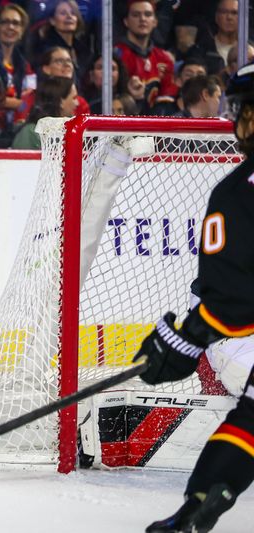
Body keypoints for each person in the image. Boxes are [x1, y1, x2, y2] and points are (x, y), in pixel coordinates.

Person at [132, 62, 254, 533]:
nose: (237, 120)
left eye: (244, 110)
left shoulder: (239, 192)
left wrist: (184, 341)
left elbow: (234, 301)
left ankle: (195, 510)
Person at [114, 0, 178, 115]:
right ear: (126, 21)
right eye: (136, 15)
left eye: (148, 14)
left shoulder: (164, 59)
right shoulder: (116, 55)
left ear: (155, 22)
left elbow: (168, 98)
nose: (142, 19)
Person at [11, 75, 77, 150]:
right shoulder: (30, 133)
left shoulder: (72, 131)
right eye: (74, 98)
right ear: (61, 102)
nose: (77, 103)